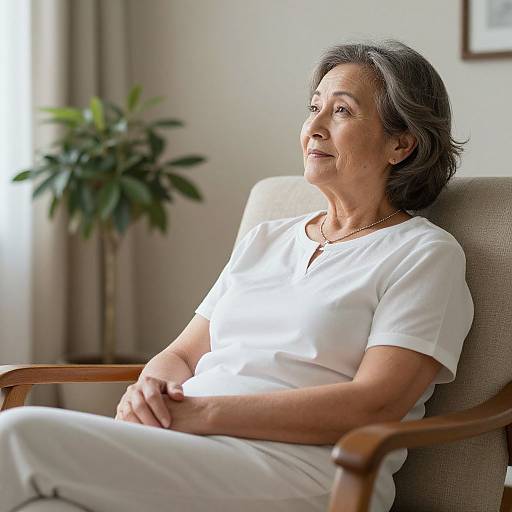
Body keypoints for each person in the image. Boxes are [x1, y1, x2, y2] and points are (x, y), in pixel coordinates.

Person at [0, 40, 474, 512]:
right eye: (313, 108)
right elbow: (182, 354)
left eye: (342, 111)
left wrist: (201, 414)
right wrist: (149, 389)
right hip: (191, 448)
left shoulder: (423, 254)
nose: (314, 127)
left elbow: (376, 403)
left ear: (401, 143)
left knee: (17, 435)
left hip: (306, 470)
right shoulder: (267, 239)